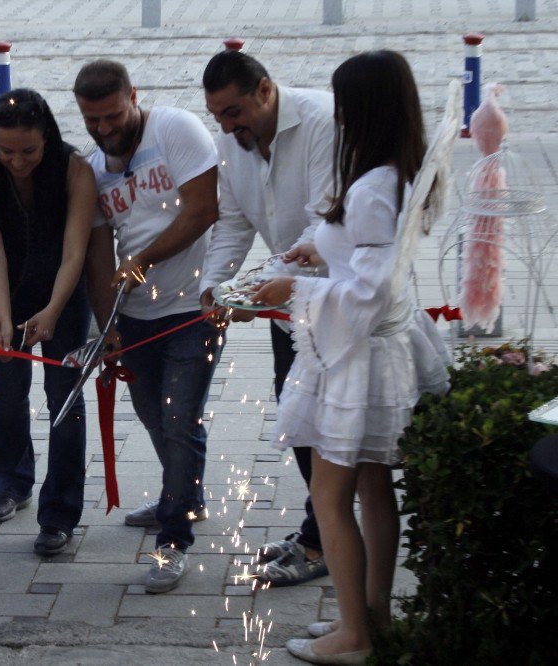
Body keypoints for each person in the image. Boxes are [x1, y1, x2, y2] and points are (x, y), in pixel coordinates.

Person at [251, 50, 450, 663]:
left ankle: (353, 635)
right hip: (379, 348)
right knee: (372, 489)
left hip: (357, 360)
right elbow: (366, 260)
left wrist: (296, 290)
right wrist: (316, 252)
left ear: (362, 109)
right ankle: (372, 616)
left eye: (342, 105)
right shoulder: (394, 172)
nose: (335, 117)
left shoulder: (371, 188)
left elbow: (370, 291)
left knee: (332, 498)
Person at [74, 60, 220, 592]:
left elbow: (204, 209)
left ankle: (173, 540)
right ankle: (185, 495)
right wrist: (104, 325)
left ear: (134, 96)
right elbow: (96, 254)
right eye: (92, 121)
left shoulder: (175, 130)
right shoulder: (93, 168)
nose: (105, 130)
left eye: (113, 116)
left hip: (193, 307)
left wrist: (142, 262)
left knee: (180, 419)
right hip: (133, 318)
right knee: (156, 421)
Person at [200, 49, 336, 587]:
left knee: (330, 431)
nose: (228, 127)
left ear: (264, 89)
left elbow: (322, 225)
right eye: (217, 117)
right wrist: (214, 289)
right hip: (285, 307)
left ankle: (326, 538)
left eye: (234, 113)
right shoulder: (231, 145)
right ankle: (320, 528)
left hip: (333, 300)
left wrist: (253, 291)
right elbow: (232, 226)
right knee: (297, 418)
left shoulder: (322, 121)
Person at [0, 88, 96, 556]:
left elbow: (76, 250)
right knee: (9, 386)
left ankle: (59, 512)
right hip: (8, 298)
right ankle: (11, 481)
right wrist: (1, 318)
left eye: (30, 151)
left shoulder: (74, 169)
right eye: (7, 151)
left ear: (48, 139)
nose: (18, 161)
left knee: (65, 397)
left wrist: (54, 310)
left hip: (65, 294)